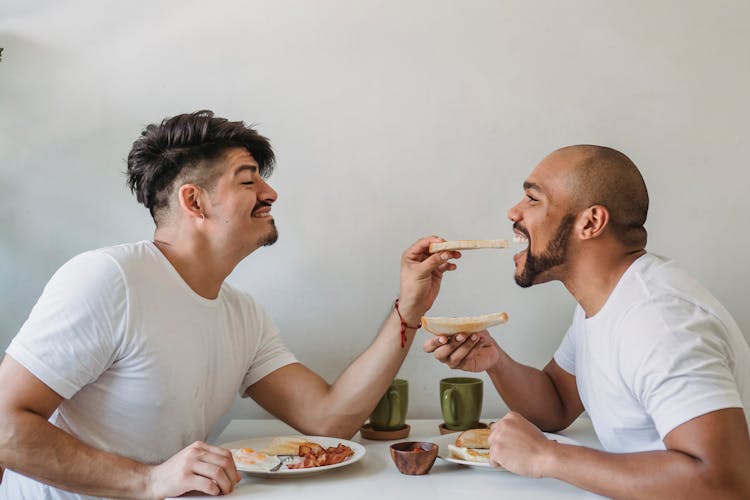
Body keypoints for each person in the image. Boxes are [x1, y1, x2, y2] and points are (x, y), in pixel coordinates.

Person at [0, 110, 461, 499]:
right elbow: (5, 425)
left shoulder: (243, 315)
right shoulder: (108, 279)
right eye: (248, 180)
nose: (271, 193)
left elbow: (330, 419)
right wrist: (148, 480)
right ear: (194, 200)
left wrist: (410, 307)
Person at [424, 145, 750, 498]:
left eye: (533, 199)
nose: (513, 211)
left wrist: (548, 457)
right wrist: (496, 362)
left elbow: (724, 482)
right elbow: (557, 405)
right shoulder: (604, 302)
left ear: (590, 222)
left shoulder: (659, 320)